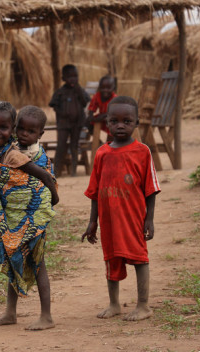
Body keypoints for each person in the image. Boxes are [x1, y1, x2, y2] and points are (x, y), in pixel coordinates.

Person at [0, 100, 59, 330]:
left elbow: (43, 176)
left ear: (11, 127)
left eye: (2, 128)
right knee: (13, 260)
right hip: (11, 218)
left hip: (29, 216)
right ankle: (10, 312)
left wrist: (53, 197)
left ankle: (47, 316)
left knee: (38, 263)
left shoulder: (13, 154)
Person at [81, 96, 160, 321]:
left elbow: (151, 190)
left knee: (139, 258)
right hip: (108, 221)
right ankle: (114, 304)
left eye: (127, 121)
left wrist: (149, 219)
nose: (120, 125)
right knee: (111, 258)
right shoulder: (102, 153)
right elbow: (95, 192)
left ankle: (143, 305)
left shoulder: (142, 151)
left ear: (136, 123)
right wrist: (92, 222)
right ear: (107, 122)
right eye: (114, 121)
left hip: (133, 218)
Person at [49, 64, 90, 176]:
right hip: (63, 123)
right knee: (61, 145)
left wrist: (79, 90)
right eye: (70, 77)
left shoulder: (80, 90)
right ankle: (56, 171)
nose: (73, 79)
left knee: (74, 145)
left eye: (75, 76)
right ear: (64, 79)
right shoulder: (60, 92)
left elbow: (85, 102)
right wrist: (62, 113)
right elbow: (53, 105)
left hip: (77, 123)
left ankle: (73, 171)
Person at [87, 75, 117, 141]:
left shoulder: (114, 98)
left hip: (111, 118)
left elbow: (114, 112)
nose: (105, 90)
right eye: (103, 88)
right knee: (87, 121)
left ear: (113, 88)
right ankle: (97, 140)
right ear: (99, 87)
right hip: (101, 118)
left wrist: (103, 115)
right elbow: (92, 106)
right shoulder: (97, 96)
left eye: (108, 88)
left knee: (113, 125)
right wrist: (91, 115)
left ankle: (110, 143)